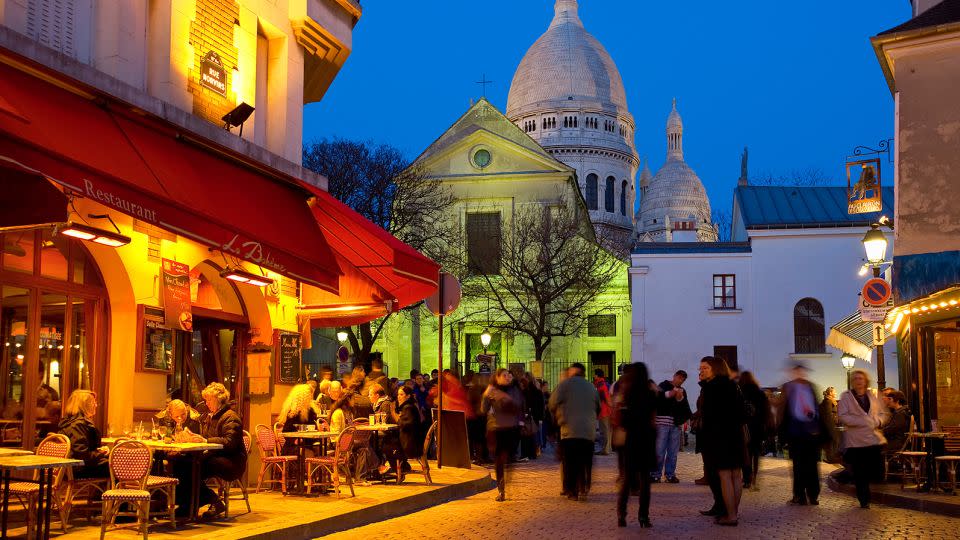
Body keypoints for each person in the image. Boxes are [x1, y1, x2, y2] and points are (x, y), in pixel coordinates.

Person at [174, 382, 247, 519]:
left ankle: (212, 501)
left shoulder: (231, 417)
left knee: (193, 468)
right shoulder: (210, 416)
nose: (206, 403)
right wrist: (193, 437)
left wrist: (205, 441)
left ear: (219, 399)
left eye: (209, 400)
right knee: (181, 463)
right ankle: (188, 505)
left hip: (232, 461)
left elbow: (229, 442)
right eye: (206, 400)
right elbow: (206, 438)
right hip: (215, 456)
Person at [697, 356, 746, 527]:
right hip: (735, 434)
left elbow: (710, 415)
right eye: (700, 368)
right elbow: (741, 411)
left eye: (705, 368)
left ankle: (730, 515)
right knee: (736, 475)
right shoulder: (733, 385)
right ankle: (733, 512)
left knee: (725, 475)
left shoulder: (712, 387)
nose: (701, 371)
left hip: (720, 436)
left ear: (715, 368)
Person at [548, 362, 600, 501]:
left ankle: (572, 490)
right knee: (585, 461)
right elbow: (598, 406)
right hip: (588, 431)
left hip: (569, 430)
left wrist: (559, 413)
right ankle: (584, 487)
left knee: (571, 461)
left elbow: (552, 402)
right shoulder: (591, 386)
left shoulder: (565, 385)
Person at [613, 363, 657, 528]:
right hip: (646, 439)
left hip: (631, 439)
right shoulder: (650, 394)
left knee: (628, 479)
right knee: (645, 481)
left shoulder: (627, 394)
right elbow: (654, 417)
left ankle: (621, 515)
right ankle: (643, 516)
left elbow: (623, 421)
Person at [778, 362, 827, 506]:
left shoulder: (810, 387)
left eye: (801, 372)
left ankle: (813, 495)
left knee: (812, 465)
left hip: (811, 432)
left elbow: (817, 409)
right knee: (798, 465)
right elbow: (782, 410)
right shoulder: (788, 387)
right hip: (795, 432)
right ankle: (799, 495)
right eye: (796, 372)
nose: (798, 375)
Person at [838, 369, 887, 509]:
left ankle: (868, 492)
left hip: (872, 439)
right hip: (856, 441)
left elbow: (883, 413)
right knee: (860, 471)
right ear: (852, 382)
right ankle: (864, 499)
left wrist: (877, 421)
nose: (858, 381)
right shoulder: (846, 396)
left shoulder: (872, 395)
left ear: (866, 381)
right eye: (856, 379)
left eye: (861, 378)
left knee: (872, 469)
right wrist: (861, 421)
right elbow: (843, 416)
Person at [482, 368, 524, 501]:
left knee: (509, 458)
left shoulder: (514, 389)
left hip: (511, 427)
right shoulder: (492, 391)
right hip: (496, 428)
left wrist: (505, 398)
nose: (507, 377)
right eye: (504, 375)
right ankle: (501, 489)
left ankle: (505, 481)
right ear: (497, 378)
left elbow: (519, 406)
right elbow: (483, 409)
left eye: (508, 375)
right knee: (499, 459)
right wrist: (485, 396)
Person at [651, 370, 691, 483]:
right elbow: (658, 398)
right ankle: (655, 474)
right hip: (661, 423)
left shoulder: (683, 391)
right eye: (679, 378)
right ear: (674, 376)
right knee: (659, 450)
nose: (680, 381)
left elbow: (684, 406)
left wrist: (680, 398)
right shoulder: (663, 385)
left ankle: (670, 474)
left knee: (673, 452)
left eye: (683, 380)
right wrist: (670, 394)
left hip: (675, 424)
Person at [58, 390, 109, 478]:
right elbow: (82, 454)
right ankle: (116, 491)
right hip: (78, 468)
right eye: (93, 403)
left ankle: (100, 491)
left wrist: (99, 451)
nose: (96, 405)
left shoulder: (67, 421)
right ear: (84, 405)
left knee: (115, 464)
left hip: (69, 466)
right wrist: (101, 453)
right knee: (118, 466)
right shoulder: (79, 424)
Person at [739, 371, 771, 490]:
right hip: (758, 427)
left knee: (745, 454)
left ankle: (747, 478)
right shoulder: (760, 393)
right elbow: (766, 411)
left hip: (745, 427)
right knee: (756, 454)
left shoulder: (740, 392)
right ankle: (755, 477)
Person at [881, 390, 910, 454]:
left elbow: (892, 428)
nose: (888, 401)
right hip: (894, 441)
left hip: (896, 443)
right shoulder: (899, 412)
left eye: (890, 399)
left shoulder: (901, 413)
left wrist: (879, 432)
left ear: (897, 401)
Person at [593, 369, 613, 455]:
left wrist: (610, 406)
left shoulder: (600, 385)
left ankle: (605, 450)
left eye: (594, 375)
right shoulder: (601, 384)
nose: (594, 376)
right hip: (605, 411)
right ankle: (608, 448)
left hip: (604, 411)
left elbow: (605, 398)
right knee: (607, 431)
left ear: (597, 375)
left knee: (604, 431)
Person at [820, 387, 841, 464]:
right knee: (833, 441)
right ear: (830, 393)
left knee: (833, 441)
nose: (835, 393)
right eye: (834, 392)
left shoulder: (831, 401)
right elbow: (828, 415)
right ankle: (831, 458)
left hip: (832, 424)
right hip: (830, 425)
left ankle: (831, 458)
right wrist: (831, 426)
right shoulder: (828, 401)